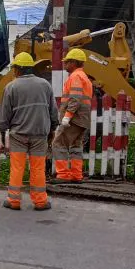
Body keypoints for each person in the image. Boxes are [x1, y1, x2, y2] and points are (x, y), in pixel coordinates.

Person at [0, 52, 59, 210]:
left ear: (17, 69)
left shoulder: (11, 87)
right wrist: (52, 129)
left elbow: (4, 115)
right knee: (38, 168)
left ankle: (14, 201)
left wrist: (1, 133)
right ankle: (40, 201)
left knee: (17, 167)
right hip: (39, 135)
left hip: (19, 135)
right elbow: (53, 111)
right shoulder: (45, 85)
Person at [50, 48, 93, 183]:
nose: (65, 64)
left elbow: (75, 98)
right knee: (76, 146)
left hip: (73, 119)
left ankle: (63, 175)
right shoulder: (84, 77)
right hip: (82, 119)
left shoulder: (75, 77)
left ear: (74, 62)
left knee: (59, 143)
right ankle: (76, 175)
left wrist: (67, 116)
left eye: (67, 62)